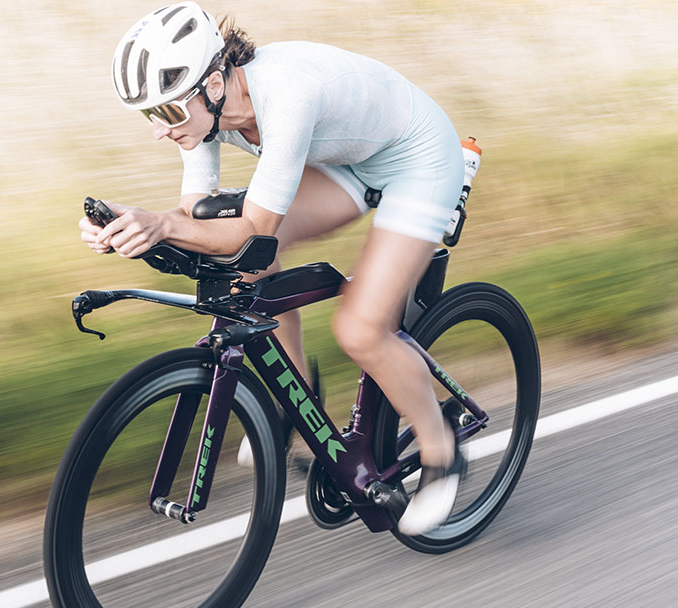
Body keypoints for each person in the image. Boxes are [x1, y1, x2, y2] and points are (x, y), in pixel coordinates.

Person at [79, 1, 466, 535]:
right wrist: (136, 229)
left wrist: (163, 225)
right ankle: (295, 396)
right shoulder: (206, 116)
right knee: (240, 263)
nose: (158, 130)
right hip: (348, 164)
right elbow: (196, 217)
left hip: (418, 160)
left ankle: (441, 448)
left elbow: (251, 228)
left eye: (167, 111)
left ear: (214, 83)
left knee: (359, 328)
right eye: (150, 115)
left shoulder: (286, 96)